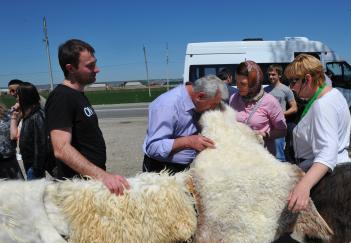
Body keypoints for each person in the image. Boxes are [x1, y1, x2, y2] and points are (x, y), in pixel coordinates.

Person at [45, 39, 129, 195]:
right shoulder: (61, 97)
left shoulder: (78, 95)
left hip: (90, 183)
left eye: (95, 63)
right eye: (90, 66)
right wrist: (102, 176)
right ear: (70, 68)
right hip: (78, 190)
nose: (97, 69)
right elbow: (61, 148)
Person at [285, 54, 351, 212]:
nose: (291, 87)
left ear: (307, 79)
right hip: (338, 171)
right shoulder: (334, 94)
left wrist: (304, 186)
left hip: (326, 180)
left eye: (293, 81)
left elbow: (327, 152)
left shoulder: (322, 105)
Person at [142, 75, 227, 174]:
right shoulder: (167, 105)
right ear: (200, 97)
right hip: (162, 170)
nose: (213, 109)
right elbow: (153, 147)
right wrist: (188, 141)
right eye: (213, 104)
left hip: (185, 168)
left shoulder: (197, 101)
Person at [229, 60, 286, 156]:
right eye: (237, 82)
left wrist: (265, 134)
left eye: (242, 84)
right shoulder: (233, 98)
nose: (238, 86)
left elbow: (282, 131)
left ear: (254, 82)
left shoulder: (270, 101)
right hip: (239, 157)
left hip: (262, 158)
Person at [15, 82, 52, 179]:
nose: (16, 98)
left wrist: (36, 168)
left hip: (34, 166)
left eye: (18, 95)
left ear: (25, 97)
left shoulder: (37, 116)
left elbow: (41, 143)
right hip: (29, 163)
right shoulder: (28, 113)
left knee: (34, 193)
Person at [264, 64, 297, 161]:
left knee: (279, 156)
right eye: (269, 74)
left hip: (279, 126)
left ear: (279, 75)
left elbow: (294, 108)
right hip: (266, 126)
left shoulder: (286, 90)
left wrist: (282, 114)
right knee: (267, 154)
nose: (271, 77)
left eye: (273, 74)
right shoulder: (265, 90)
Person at [0, 103, 24, 179]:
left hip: (11, 160)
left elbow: (30, 102)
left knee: (19, 188)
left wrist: (20, 103)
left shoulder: (8, 115)